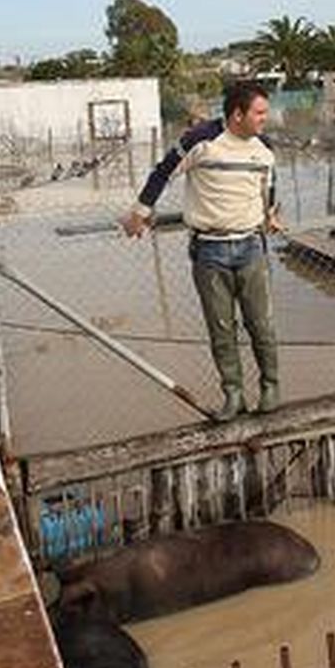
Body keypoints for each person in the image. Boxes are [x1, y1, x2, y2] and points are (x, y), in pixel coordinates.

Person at [123, 82, 282, 421]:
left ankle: (270, 388)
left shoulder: (264, 148)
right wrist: (140, 212)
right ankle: (234, 394)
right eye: (259, 113)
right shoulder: (200, 141)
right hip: (209, 251)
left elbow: (268, 186)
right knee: (221, 329)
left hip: (251, 247)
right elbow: (162, 172)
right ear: (237, 114)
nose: (265, 119)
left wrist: (270, 214)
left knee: (261, 325)